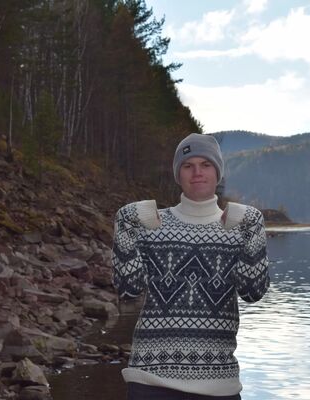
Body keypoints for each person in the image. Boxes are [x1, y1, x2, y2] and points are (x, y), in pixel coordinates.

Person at [111, 133, 270, 400]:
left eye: (205, 164)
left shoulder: (240, 228)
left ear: (218, 173)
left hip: (219, 384)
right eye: (188, 165)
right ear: (178, 174)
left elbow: (252, 292)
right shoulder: (152, 226)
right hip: (150, 382)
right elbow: (128, 290)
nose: (197, 172)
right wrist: (124, 221)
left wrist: (254, 224)